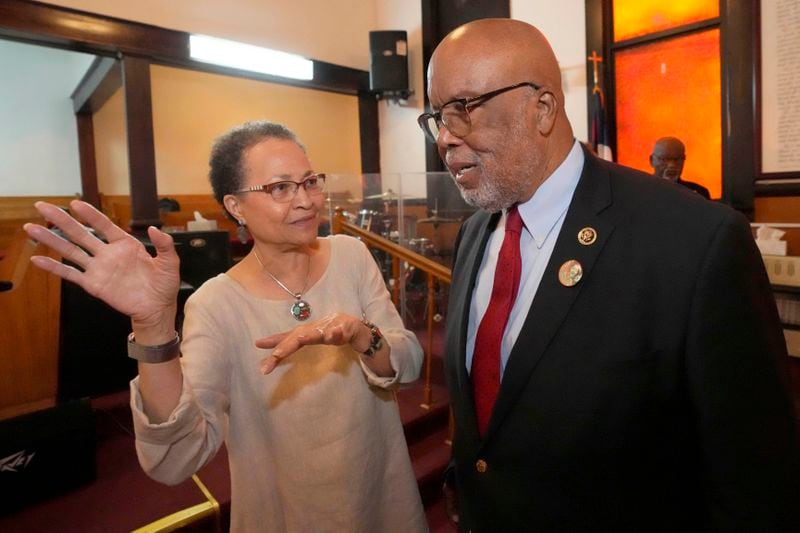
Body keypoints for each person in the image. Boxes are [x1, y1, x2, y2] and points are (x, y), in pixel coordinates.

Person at [417, 18, 800, 531]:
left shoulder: (695, 241)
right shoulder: (474, 236)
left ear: (543, 109)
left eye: (462, 110)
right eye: (437, 116)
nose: (444, 138)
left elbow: (755, 475)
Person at [23, 121, 428, 532]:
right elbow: (175, 458)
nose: (305, 200)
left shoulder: (351, 256)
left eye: (309, 181)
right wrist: (153, 326)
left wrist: (362, 334)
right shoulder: (216, 304)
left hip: (382, 493)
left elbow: (408, 364)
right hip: (288, 514)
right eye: (280, 188)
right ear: (235, 206)